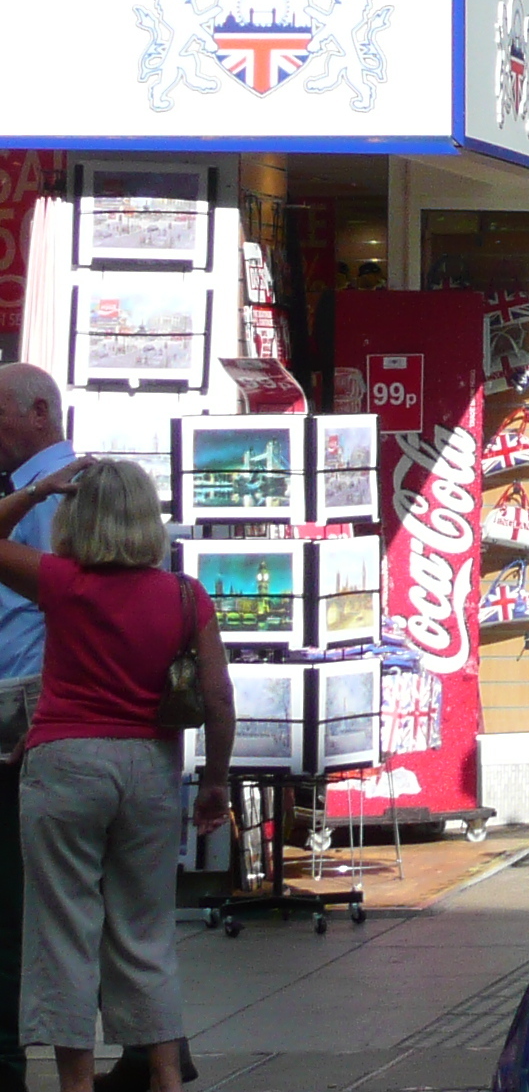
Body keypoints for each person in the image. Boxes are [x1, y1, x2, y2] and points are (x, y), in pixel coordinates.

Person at [0, 457, 229, 1092]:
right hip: (149, 767)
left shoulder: (60, 581)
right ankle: (164, 1075)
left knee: (62, 927)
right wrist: (214, 780)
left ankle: (76, 1084)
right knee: (145, 927)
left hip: (65, 766)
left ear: (76, 518)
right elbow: (218, 697)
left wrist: (35, 490)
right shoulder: (186, 595)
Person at [0, 363, 73, 1056]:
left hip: (27, 708)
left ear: (40, 412)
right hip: (33, 702)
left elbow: (66, 609)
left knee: (24, 894)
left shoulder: (50, 496)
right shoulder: (33, 492)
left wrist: (47, 706)